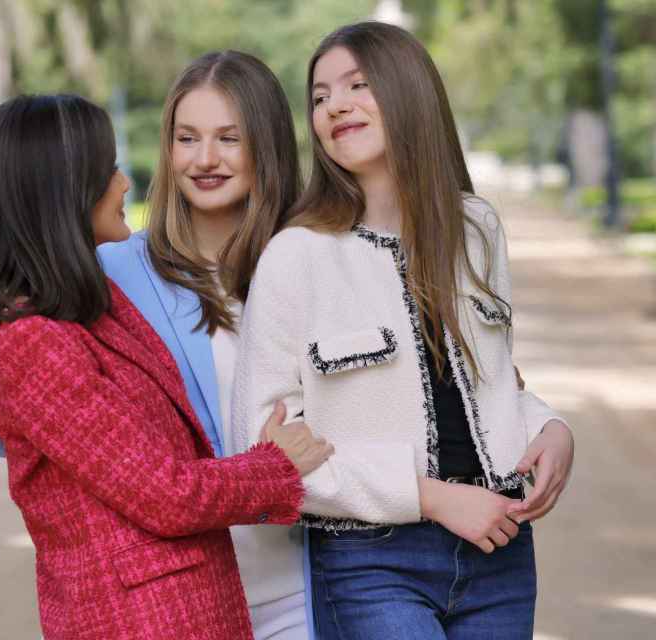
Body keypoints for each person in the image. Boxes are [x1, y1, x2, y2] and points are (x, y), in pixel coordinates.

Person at [0, 52, 328, 640]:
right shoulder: (102, 275)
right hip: (182, 594)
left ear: (268, 145)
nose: (204, 159)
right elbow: (35, 435)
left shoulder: (315, 261)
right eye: (186, 138)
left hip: (303, 577)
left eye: (229, 138)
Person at [231, 22, 575, 640]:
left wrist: (550, 428)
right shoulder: (296, 255)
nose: (335, 105)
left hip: (501, 549)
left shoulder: (477, 229)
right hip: (371, 562)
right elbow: (267, 452)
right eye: (320, 96)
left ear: (409, 91)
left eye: (357, 85)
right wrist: (431, 497)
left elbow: (492, 382)